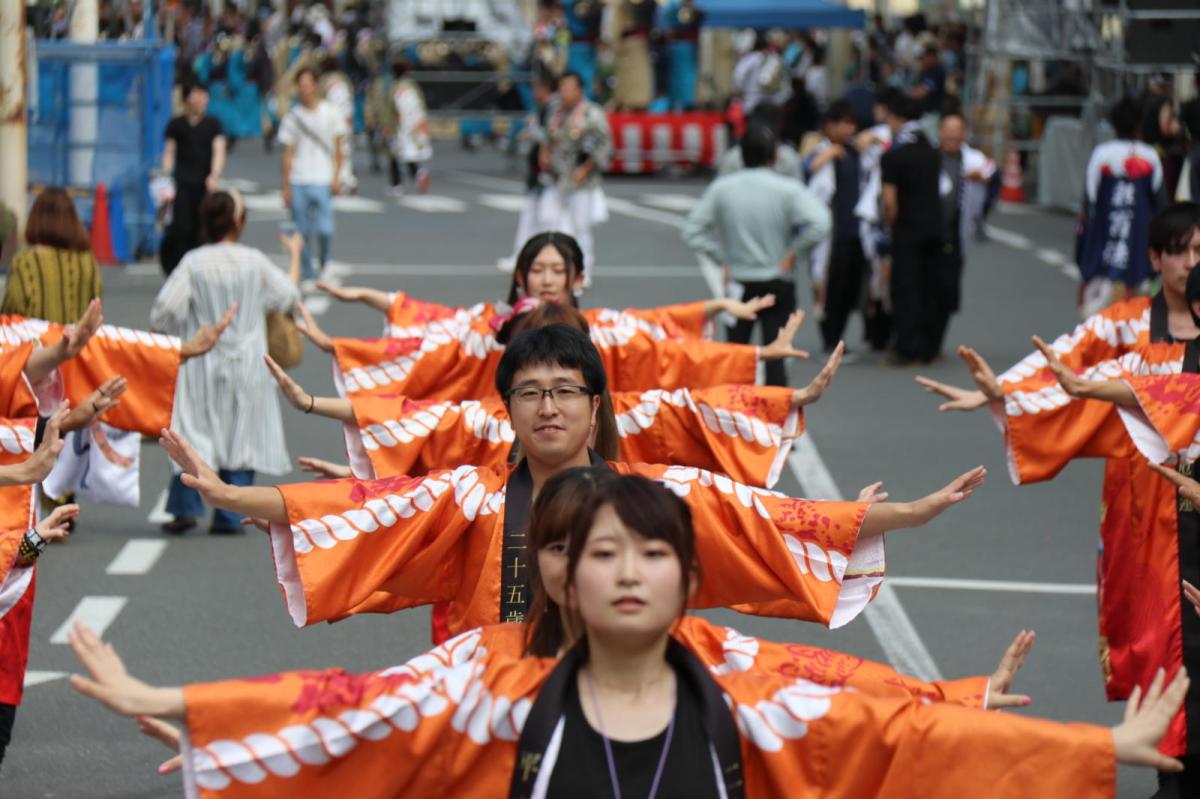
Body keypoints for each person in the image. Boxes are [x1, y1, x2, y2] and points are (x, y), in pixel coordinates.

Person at [67, 471, 1189, 797]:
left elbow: (893, 739)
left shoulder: (748, 699)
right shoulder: (490, 689)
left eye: (649, 552)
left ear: (689, 578)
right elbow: (350, 710)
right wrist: (177, 705)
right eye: (595, 552)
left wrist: (1094, 753)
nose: (621, 570)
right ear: (559, 571)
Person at [160, 322, 984, 643]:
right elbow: (359, 508)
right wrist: (230, 494)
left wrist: (887, 516)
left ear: (595, 404)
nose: (547, 406)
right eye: (530, 391)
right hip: (497, 711)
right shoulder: (469, 496)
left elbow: (760, 517)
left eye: (564, 391)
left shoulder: (650, 495)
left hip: (622, 708)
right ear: (509, 405)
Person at [915, 202, 1200, 794]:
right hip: (1145, 510)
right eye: (1181, 250)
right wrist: (1004, 394)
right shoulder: (1126, 328)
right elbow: (1064, 369)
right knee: (1158, 636)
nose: (1190, 263)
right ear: (1155, 258)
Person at [150, 190, 302, 535]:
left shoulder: (193, 262)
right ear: (239, 222)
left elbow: (164, 310)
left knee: (194, 431)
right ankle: (231, 512)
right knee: (242, 434)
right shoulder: (254, 261)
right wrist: (294, 255)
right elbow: (287, 295)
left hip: (201, 361)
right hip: (248, 362)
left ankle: (185, 506)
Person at [683, 125, 832, 386]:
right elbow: (821, 221)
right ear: (774, 156)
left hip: (739, 281)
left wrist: (721, 258)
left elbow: (692, 230)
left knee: (735, 355)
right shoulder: (787, 188)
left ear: (741, 155)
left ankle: (733, 417)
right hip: (778, 278)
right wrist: (795, 251)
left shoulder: (723, 188)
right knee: (777, 353)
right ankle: (775, 418)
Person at [1076, 96, 1164, 316]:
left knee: (1099, 319)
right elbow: (1161, 208)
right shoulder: (1150, 157)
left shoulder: (1102, 155)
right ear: (1138, 124)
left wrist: (1082, 248)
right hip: (1139, 251)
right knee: (1138, 317)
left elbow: (1089, 203)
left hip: (1104, 247)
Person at [880, 92, 943, 365]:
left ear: (897, 118)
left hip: (908, 229)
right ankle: (928, 346)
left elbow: (889, 200)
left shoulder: (895, 155)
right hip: (935, 227)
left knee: (905, 288)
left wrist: (890, 224)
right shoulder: (931, 150)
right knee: (929, 287)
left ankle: (908, 347)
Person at [804, 101, 868, 356]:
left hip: (855, 230)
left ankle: (839, 337)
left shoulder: (855, 151)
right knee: (828, 287)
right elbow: (808, 168)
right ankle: (830, 339)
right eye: (844, 123)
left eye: (852, 123)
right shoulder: (823, 150)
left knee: (850, 288)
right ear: (829, 125)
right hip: (830, 234)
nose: (850, 128)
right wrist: (830, 153)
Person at [278, 66, 346, 291]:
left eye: (308, 84)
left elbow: (339, 147)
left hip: (323, 177)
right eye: (301, 85)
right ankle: (307, 272)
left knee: (326, 228)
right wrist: (285, 186)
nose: (304, 89)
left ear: (316, 86)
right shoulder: (292, 117)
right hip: (299, 178)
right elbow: (287, 154)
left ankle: (325, 263)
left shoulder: (330, 112)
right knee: (302, 230)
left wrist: (338, 176)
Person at [934, 111, 995, 357]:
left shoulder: (972, 159)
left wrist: (981, 177)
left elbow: (990, 170)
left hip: (957, 236)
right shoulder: (931, 157)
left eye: (956, 132)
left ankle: (937, 339)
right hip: (930, 236)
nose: (951, 136)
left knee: (948, 289)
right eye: (947, 131)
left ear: (963, 135)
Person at [541, 71, 612, 285]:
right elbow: (546, 136)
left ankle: (583, 269)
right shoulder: (555, 110)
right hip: (556, 177)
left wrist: (586, 168)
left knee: (581, 227)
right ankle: (555, 267)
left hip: (581, 180)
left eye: (569, 88)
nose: (565, 93)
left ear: (579, 90)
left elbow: (604, 146)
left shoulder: (592, 114)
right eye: (562, 88)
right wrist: (543, 153)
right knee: (549, 222)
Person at [3, 189, 103, 323]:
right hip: (81, 342)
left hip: (36, 342)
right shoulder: (87, 262)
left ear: (35, 219)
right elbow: (95, 311)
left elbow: (10, 313)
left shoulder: (25, 263)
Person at [159, 82, 226, 275]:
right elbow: (169, 152)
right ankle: (179, 271)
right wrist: (165, 177)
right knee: (180, 229)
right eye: (194, 94)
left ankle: (202, 271)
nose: (198, 99)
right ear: (186, 98)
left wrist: (214, 175)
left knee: (203, 229)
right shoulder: (176, 124)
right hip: (181, 185)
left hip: (204, 187)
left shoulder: (213, 124)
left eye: (202, 94)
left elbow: (218, 150)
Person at [498, 73, 558, 274]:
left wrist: (533, 131)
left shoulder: (554, 108)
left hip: (549, 173)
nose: (534, 93)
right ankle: (522, 257)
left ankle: (539, 259)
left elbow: (551, 136)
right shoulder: (543, 108)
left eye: (537, 88)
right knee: (532, 218)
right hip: (538, 172)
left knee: (547, 220)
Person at [388, 59, 433, 197]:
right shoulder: (413, 87)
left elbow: (391, 109)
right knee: (410, 154)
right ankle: (419, 174)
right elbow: (421, 106)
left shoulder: (395, 87)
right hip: (415, 124)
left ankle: (397, 185)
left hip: (401, 126)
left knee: (396, 156)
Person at [319, 55, 357, 195]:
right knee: (346, 152)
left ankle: (344, 181)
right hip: (346, 120)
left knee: (335, 153)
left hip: (332, 122)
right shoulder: (345, 81)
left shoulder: (324, 82)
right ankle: (349, 180)